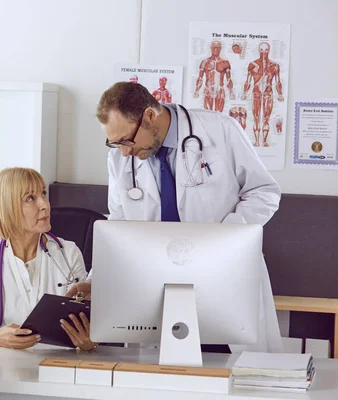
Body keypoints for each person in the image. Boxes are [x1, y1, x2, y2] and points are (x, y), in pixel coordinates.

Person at [68, 82, 283, 354]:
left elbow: (264, 192)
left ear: (149, 116)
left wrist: (225, 237)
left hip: (223, 273)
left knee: (230, 372)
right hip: (157, 282)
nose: (123, 152)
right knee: (165, 371)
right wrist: (96, 281)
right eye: (114, 142)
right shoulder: (120, 159)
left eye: (126, 140)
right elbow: (118, 229)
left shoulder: (219, 130)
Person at [0, 167, 95, 351]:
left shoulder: (68, 252)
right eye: (30, 199)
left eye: (43, 194)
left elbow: (86, 323)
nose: (44, 205)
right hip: (3, 362)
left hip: (57, 362)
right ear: (7, 207)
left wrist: (88, 342)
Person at [241, 42, 285, 147]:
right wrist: (244, 93)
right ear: (258, 50)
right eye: (261, 50)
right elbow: (248, 81)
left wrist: (280, 94)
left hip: (268, 94)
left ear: (269, 50)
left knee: (266, 118)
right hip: (256, 93)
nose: (264, 52)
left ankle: (264, 141)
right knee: (256, 117)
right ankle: (256, 141)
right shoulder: (253, 64)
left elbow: (278, 81)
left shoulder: (275, 66)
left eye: (266, 50)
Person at [193, 40, 236, 112]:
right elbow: (200, 78)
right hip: (208, 89)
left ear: (221, 49)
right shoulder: (204, 62)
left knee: (219, 113)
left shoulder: (225, 62)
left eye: (218, 48)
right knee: (207, 112)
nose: (216, 49)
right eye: (214, 47)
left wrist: (231, 92)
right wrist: (196, 91)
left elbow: (229, 79)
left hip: (220, 89)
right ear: (211, 48)